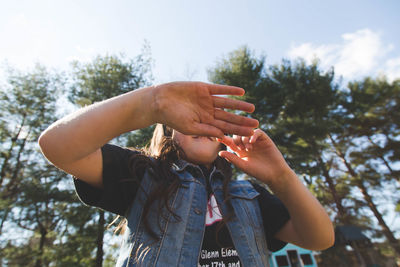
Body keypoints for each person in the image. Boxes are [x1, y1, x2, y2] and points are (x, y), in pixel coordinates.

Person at [38, 81, 334, 266]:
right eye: (195, 118)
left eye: (214, 120)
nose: (205, 124)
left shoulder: (249, 195)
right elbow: (57, 146)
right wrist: (152, 102)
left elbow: (320, 238)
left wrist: (281, 178)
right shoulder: (143, 174)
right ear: (169, 130)